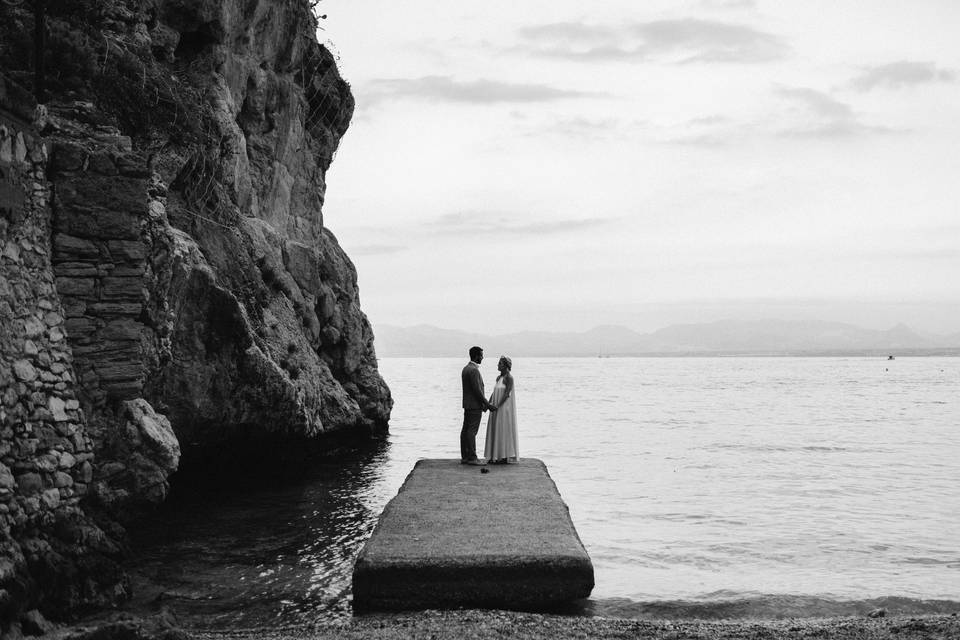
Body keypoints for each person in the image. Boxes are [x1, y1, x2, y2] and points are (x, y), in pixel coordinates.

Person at [461, 346, 496, 465]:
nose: (482, 357)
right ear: (476, 356)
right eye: (481, 355)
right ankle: (472, 457)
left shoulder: (466, 368)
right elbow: (477, 391)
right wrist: (487, 404)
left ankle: (465, 456)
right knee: (472, 431)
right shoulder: (474, 370)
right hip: (474, 405)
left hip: (467, 404)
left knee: (465, 430)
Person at [484, 355, 519, 464]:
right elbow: (495, 392)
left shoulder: (509, 378)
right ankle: (494, 455)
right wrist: (488, 403)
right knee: (495, 428)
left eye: (500, 363)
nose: (498, 365)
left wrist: (498, 406)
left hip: (503, 408)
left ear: (506, 366)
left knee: (502, 429)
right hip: (495, 406)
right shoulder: (498, 378)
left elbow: (506, 394)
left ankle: (504, 456)